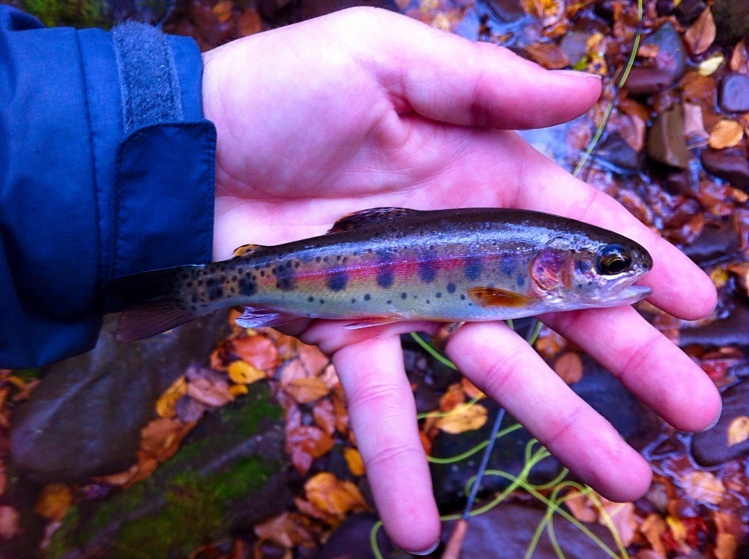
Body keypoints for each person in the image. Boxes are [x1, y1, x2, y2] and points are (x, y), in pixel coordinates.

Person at [1, 5, 721, 554]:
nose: (618, 278)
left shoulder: (528, 262)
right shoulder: (523, 275)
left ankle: (183, 286)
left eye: (611, 267)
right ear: (552, 268)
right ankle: (191, 288)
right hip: (304, 263)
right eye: (605, 266)